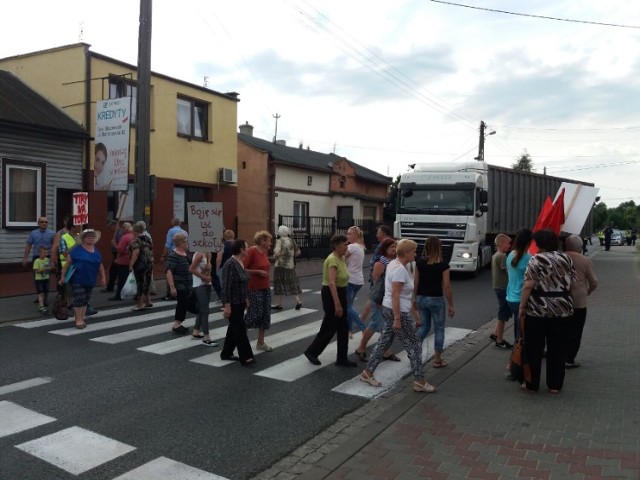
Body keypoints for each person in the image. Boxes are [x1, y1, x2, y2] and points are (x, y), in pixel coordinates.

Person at [360, 239, 436, 393]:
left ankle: (367, 373)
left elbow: (397, 295)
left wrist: (412, 313)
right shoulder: (400, 269)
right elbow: (395, 295)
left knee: (384, 342)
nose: (416, 254)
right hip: (397, 311)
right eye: (414, 251)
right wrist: (397, 318)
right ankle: (419, 381)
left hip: (391, 308)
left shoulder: (395, 264)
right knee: (414, 345)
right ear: (407, 253)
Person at [519, 229, 575, 393]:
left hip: (538, 309)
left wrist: (522, 305)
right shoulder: (566, 258)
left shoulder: (537, 259)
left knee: (534, 348)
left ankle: (532, 384)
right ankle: (555, 385)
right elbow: (572, 282)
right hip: (563, 309)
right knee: (558, 348)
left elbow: (528, 285)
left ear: (540, 243)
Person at [304, 234, 357, 367]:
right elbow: (332, 283)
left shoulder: (342, 257)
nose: (347, 246)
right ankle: (312, 351)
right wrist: (337, 303)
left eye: (347, 244)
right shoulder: (332, 259)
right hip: (332, 293)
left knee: (343, 326)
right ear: (336, 246)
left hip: (341, 291)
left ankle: (342, 358)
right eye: (345, 244)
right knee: (330, 325)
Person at [355, 238, 399, 363]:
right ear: (385, 249)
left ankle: (385, 351)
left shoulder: (394, 261)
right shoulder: (380, 262)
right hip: (380, 299)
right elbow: (376, 283)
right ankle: (361, 348)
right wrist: (379, 300)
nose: (394, 249)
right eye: (391, 247)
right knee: (375, 324)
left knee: (387, 326)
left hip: (389, 299)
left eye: (395, 247)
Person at [414, 236, 455, 368]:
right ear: (439, 248)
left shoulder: (419, 262)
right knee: (439, 329)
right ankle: (437, 360)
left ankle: (413, 351)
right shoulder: (443, 265)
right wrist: (451, 305)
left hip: (421, 297)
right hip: (436, 298)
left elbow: (416, 282)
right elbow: (447, 286)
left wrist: (414, 299)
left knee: (424, 326)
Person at [59, 229, 106, 329]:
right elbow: (67, 264)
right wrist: (63, 276)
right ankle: (78, 320)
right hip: (78, 279)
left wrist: (103, 278)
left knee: (85, 300)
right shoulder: (76, 250)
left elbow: (100, 266)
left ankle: (81, 318)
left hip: (90, 279)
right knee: (79, 299)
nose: (90, 238)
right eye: (88, 236)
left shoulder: (96, 252)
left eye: (92, 236)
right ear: (83, 239)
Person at [220, 239, 256, 365]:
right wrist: (227, 305)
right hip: (233, 302)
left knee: (234, 328)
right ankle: (246, 356)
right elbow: (226, 286)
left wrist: (246, 298)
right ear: (241, 249)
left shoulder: (241, 262)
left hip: (240, 301)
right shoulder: (230, 264)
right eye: (246, 247)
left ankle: (226, 352)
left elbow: (243, 283)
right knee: (240, 329)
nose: (248, 248)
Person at [564, 235, 598, 368]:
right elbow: (594, 282)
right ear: (580, 247)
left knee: (561, 329)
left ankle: (557, 354)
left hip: (561, 300)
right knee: (576, 331)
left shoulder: (560, 258)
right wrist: (588, 291)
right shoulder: (585, 260)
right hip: (578, 301)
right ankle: (569, 358)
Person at [244, 230, 274, 351]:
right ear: (263, 241)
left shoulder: (264, 252)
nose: (271, 243)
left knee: (265, 315)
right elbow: (242, 268)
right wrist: (257, 272)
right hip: (254, 288)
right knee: (253, 314)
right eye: (269, 240)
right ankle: (241, 340)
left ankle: (260, 343)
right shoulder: (252, 251)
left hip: (265, 287)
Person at [360, 225, 393, 323]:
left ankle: (367, 320)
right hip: (380, 273)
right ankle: (363, 319)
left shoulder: (385, 244)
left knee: (375, 296)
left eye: (378, 233)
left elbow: (379, 260)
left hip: (380, 274)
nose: (376, 235)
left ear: (382, 233)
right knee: (374, 297)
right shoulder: (387, 243)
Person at [506, 228, 533, 343]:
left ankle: (517, 353)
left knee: (518, 328)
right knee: (524, 331)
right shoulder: (529, 258)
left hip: (510, 297)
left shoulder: (510, 255)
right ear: (529, 242)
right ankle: (520, 356)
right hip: (522, 299)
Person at [23, 216, 55, 305]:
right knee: (37, 278)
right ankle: (40, 295)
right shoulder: (33, 233)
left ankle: (44, 299)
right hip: (36, 258)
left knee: (45, 278)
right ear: (38, 223)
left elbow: (55, 247)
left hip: (47, 258)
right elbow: (28, 245)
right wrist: (25, 258)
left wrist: (53, 260)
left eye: (45, 222)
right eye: (41, 222)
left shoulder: (52, 233)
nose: (44, 223)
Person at [165, 233, 192, 334]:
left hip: (187, 283)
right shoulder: (173, 255)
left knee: (185, 303)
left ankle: (179, 322)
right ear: (181, 243)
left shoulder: (186, 253)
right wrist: (172, 287)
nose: (187, 243)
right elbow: (168, 271)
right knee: (182, 303)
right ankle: (177, 324)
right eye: (186, 241)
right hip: (179, 284)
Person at [190, 250, 217, 346]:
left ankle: (196, 330)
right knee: (205, 310)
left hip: (207, 284)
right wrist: (203, 277)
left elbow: (208, 271)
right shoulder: (199, 254)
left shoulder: (208, 254)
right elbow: (191, 269)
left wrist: (208, 266)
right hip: (199, 285)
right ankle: (206, 337)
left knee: (202, 309)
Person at [271, 225, 302, 310]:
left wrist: (275, 255)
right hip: (290, 265)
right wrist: (291, 257)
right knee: (292, 282)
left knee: (279, 284)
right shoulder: (292, 240)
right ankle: (298, 301)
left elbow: (277, 253)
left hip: (280, 265)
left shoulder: (279, 240)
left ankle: (279, 304)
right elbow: (298, 252)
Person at [490, 234, 513, 348]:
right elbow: (508, 271)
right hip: (503, 287)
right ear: (502, 244)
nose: (510, 246)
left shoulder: (495, 255)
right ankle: (499, 340)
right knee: (503, 313)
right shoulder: (503, 256)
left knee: (503, 310)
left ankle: (495, 334)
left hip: (497, 286)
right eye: (508, 243)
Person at [345, 226, 367, 336]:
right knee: (349, 306)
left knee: (347, 307)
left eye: (349, 234)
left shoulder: (352, 247)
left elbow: (341, 257)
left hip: (350, 280)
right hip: (359, 280)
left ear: (356, 235)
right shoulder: (361, 247)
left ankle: (363, 327)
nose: (347, 236)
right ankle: (349, 330)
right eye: (347, 233)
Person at [160, 217, 188, 300]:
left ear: (172, 223)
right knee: (180, 273)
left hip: (173, 254)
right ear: (180, 223)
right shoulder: (185, 232)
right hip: (183, 254)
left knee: (169, 272)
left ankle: (170, 293)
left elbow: (168, 245)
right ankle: (180, 291)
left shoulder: (171, 231)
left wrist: (163, 256)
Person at [129, 222, 154, 311]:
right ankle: (148, 301)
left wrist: (131, 265)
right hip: (149, 263)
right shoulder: (147, 238)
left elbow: (135, 253)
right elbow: (151, 250)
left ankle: (140, 304)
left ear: (134, 230)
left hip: (140, 264)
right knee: (147, 282)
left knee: (139, 283)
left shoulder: (135, 240)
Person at [109, 222, 134, 301]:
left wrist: (114, 244)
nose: (122, 229)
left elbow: (120, 249)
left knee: (122, 279)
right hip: (131, 259)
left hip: (124, 260)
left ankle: (119, 295)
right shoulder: (133, 236)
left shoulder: (124, 237)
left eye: (123, 228)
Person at [103, 220, 123, 292]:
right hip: (116, 255)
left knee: (114, 271)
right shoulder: (117, 233)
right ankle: (110, 287)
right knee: (114, 271)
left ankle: (110, 287)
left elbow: (120, 247)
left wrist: (117, 257)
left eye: (111, 227)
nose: (110, 228)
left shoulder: (119, 234)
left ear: (115, 225)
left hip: (118, 255)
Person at [33, 246, 52, 314]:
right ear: (40, 253)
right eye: (44, 253)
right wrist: (44, 269)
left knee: (45, 291)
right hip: (39, 279)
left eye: (46, 253)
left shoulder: (47, 260)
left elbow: (49, 267)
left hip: (46, 278)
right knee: (40, 293)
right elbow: (36, 270)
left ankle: (43, 303)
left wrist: (50, 267)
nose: (45, 254)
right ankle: (41, 306)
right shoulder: (37, 261)